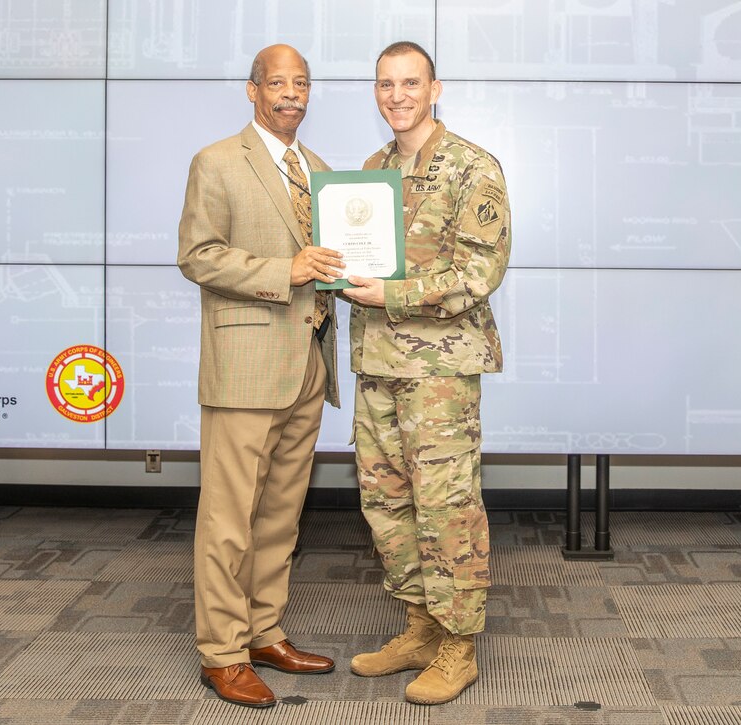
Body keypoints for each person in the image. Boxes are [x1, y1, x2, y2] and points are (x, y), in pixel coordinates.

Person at [342, 40, 511, 705]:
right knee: (386, 504)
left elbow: (476, 274)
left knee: (447, 507)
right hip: (379, 362)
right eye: (386, 84)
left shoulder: (472, 168)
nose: (397, 95)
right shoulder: (373, 168)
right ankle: (419, 624)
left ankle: (459, 644)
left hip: (438, 372)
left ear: (434, 88)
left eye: (410, 83)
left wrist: (391, 293)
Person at [177, 43, 345, 709]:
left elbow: (335, 260)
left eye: (300, 83)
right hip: (245, 367)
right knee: (228, 516)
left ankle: (262, 628)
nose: (290, 94)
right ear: (253, 90)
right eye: (277, 82)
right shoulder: (217, 161)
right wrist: (287, 272)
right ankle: (221, 651)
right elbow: (198, 254)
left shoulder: (322, 171)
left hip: (308, 364)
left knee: (280, 513)